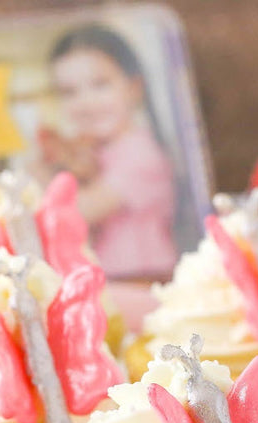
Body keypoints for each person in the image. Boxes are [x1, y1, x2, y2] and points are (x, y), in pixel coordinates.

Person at [38, 24, 177, 279]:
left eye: (100, 85)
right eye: (69, 92)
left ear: (134, 88)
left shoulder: (141, 153)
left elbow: (75, 214)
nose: (86, 103)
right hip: (111, 279)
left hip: (145, 280)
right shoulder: (96, 151)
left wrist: (41, 177)